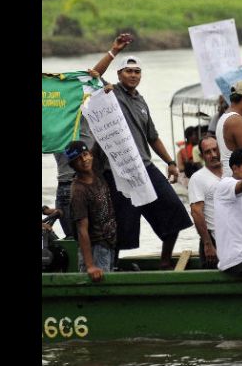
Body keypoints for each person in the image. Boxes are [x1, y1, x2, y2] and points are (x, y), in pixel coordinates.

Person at [97, 53, 193, 270]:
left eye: (137, 71)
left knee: (174, 210)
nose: (133, 75)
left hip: (145, 167)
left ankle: (165, 260)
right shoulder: (109, 93)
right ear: (119, 74)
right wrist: (113, 51)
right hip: (118, 170)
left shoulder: (141, 101)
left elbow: (153, 137)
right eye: (128, 71)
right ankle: (112, 266)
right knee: (120, 224)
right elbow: (93, 75)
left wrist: (170, 161)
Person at [51, 33, 132, 238]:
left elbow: (93, 76)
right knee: (79, 242)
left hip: (93, 184)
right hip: (70, 187)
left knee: (101, 239)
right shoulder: (52, 126)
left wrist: (114, 51)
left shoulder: (84, 116)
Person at [64, 139, 117, 283]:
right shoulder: (79, 191)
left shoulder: (96, 171)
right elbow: (82, 230)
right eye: (78, 159)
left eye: (86, 154)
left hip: (109, 243)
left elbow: (102, 140)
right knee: (99, 290)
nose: (84, 160)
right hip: (95, 249)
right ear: (72, 165)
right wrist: (90, 266)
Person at [187, 136, 222, 269]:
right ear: (202, 156)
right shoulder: (198, 178)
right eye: (208, 152)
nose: (213, 155)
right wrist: (208, 244)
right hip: (212, 239)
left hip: (233, 236)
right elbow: (196, 212)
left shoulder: (232, 171)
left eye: (215, 150)